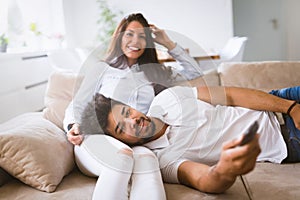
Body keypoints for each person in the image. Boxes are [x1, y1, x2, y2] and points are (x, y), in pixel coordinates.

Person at [63, 13, 203, 200]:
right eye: (129, 34)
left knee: (147, 163)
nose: (135, 41)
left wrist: (167, 42)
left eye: (142, 36)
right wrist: (73, 125)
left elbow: (195, 73)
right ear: (119, 37)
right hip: (100, 138)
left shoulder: (156, 73)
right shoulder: (102, 69)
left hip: (137, 141)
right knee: (122, 156)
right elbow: (77, 104)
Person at [93, 85, 300, 194]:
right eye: (122, 128)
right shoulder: (163, 160)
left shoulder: (167, 97)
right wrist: (226, 169)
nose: (134, 120)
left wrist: (290, 107)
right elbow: (204, 179)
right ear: (122, 142)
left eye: (127, 112)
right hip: (289, 140)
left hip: (281, 100)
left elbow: (231, 95)